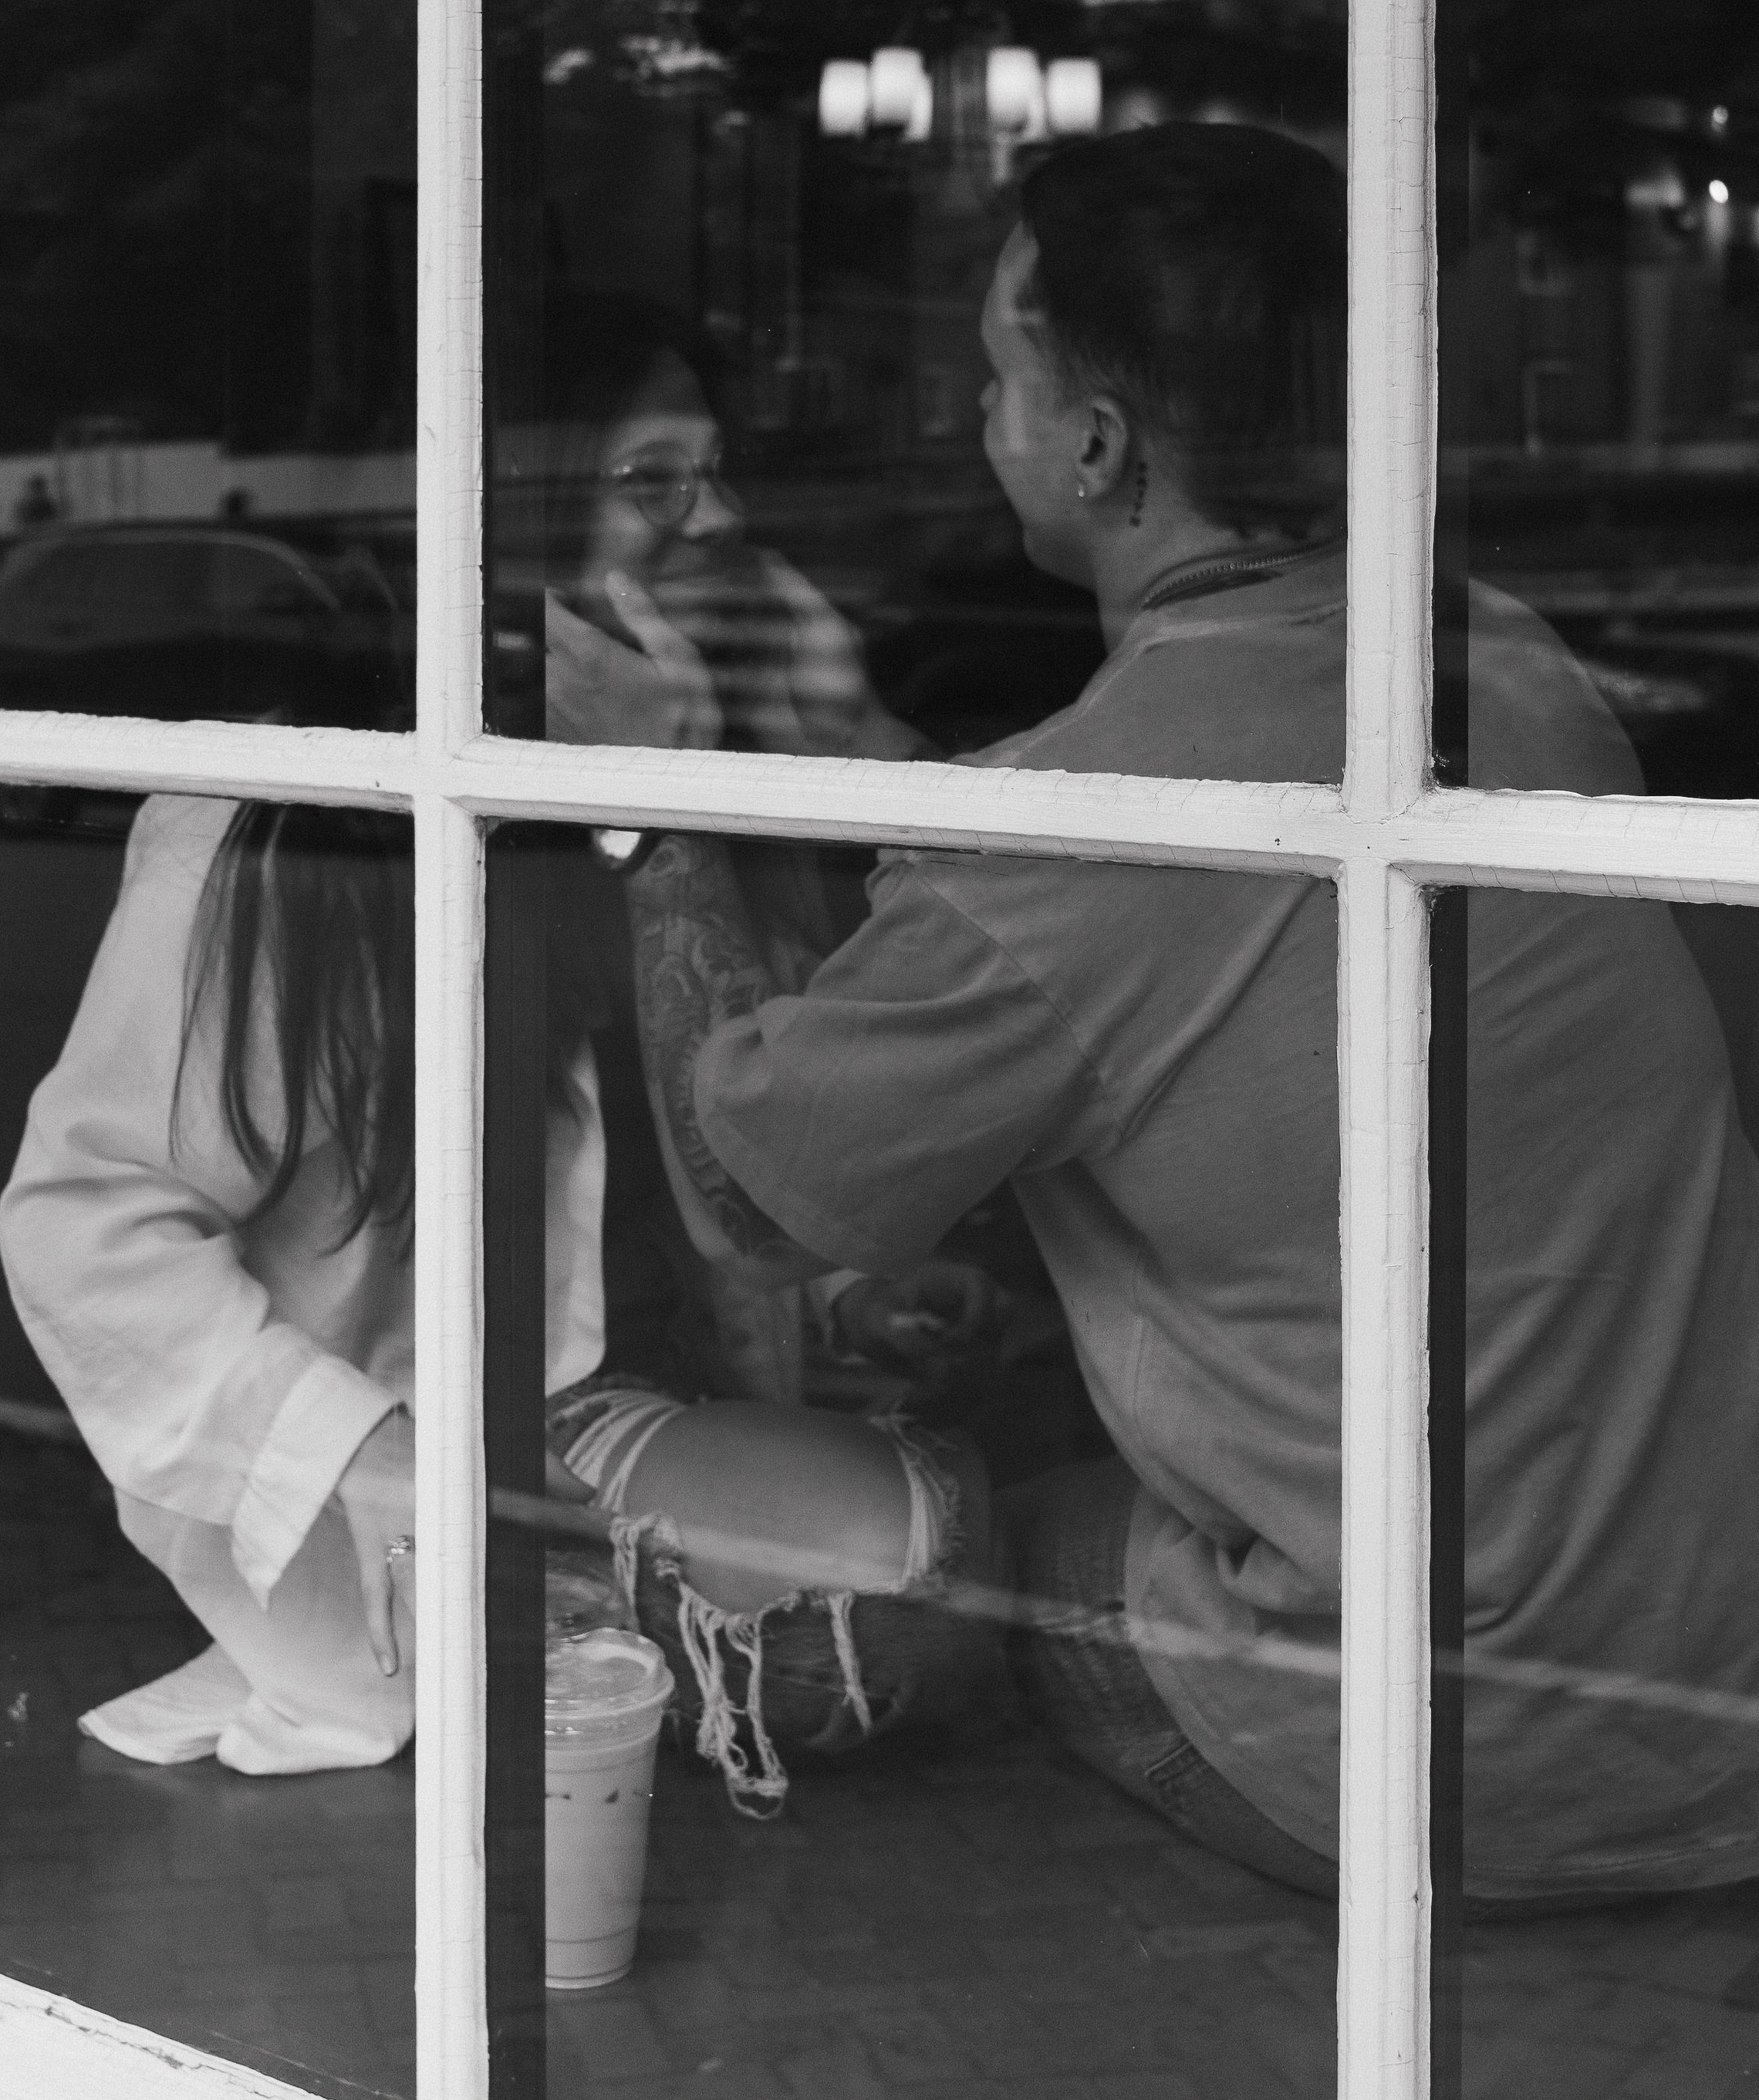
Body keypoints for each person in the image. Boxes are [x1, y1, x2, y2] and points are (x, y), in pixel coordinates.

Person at [546, 123, 1759, 1909]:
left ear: (1097, 444)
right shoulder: (1489, 654)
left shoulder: (1082, 835)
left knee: (910, 1557)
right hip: (1711, 1675)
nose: (971, 415)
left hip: (1465, 1764)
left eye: (991, 375)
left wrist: (644, 809)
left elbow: (749, 1204)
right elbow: (1151, 957)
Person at [0, 300, 1000, 1784]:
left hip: (617, 1398)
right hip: (421, 1434)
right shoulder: (282, 828)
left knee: (965, 1524)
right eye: (656, 481)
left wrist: (848, 1288)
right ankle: (515, 1619)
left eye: (720, 474)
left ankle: (571, 1616)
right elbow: (83, 1227)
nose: (717, 518)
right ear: (515, 526)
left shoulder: (707, 770)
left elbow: (715, 1125)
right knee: (888, 1605)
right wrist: (367, 1464)